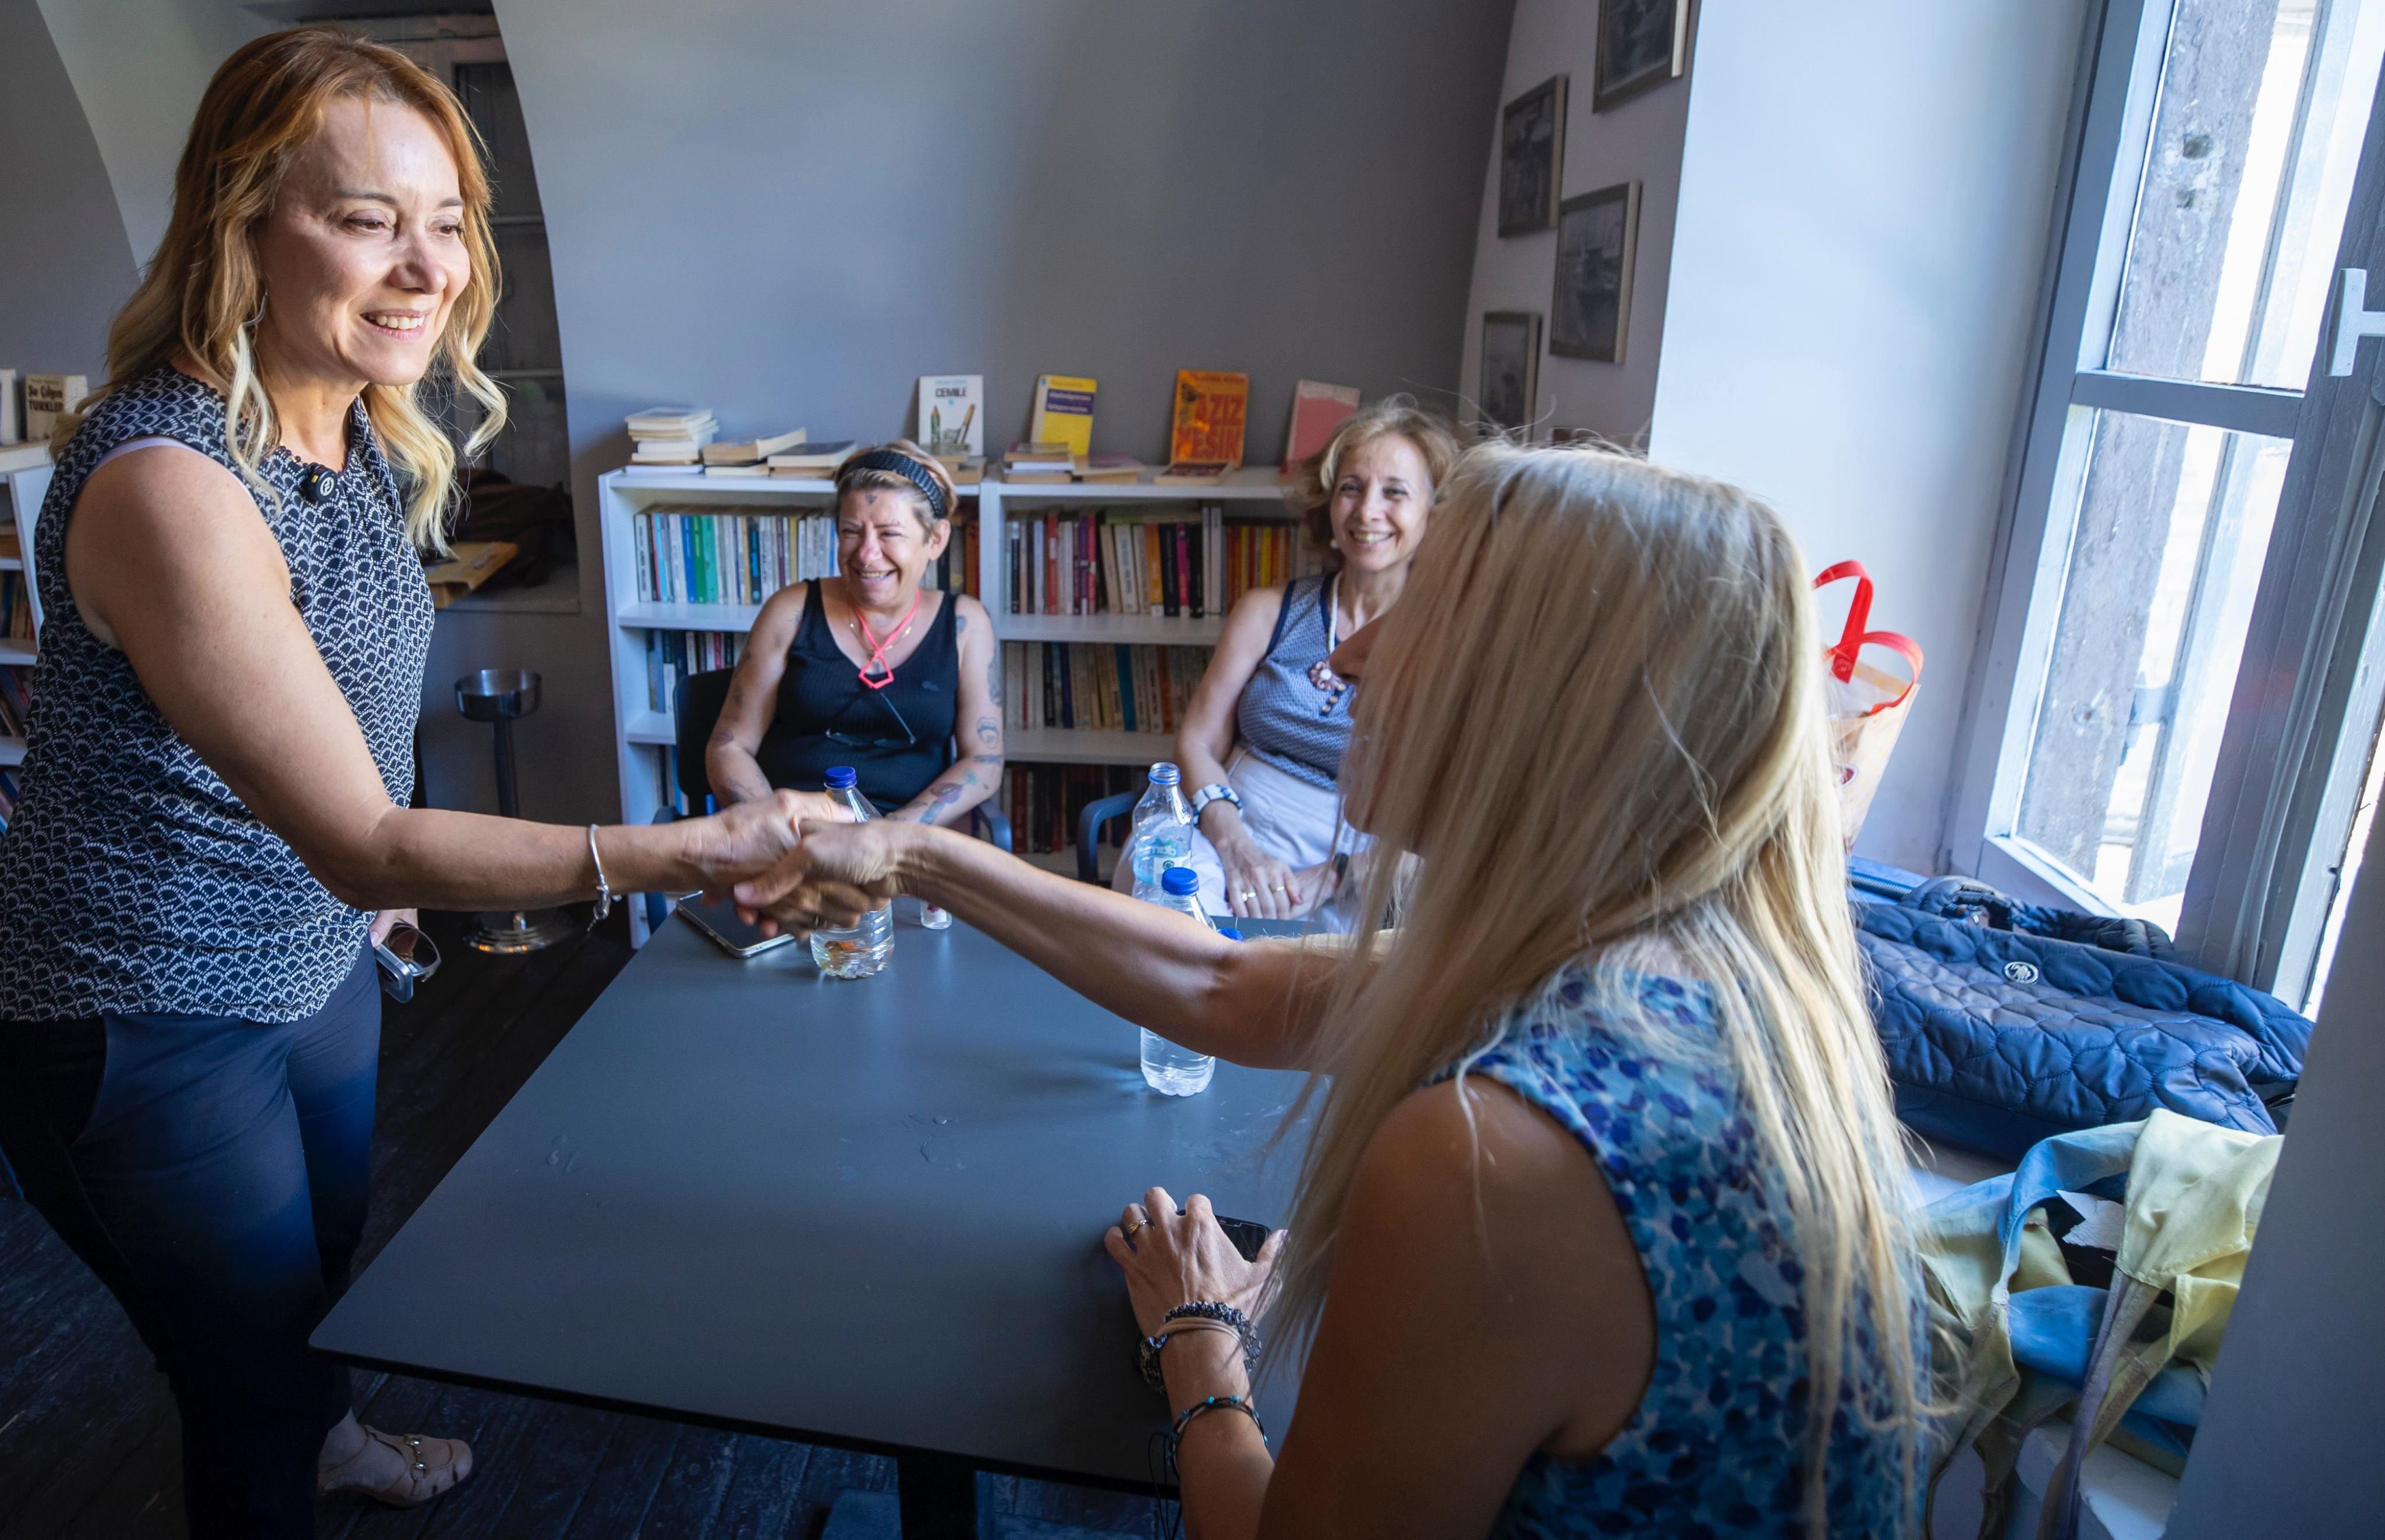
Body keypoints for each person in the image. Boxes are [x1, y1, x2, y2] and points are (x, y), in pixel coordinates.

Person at [0, 29, 831, 1540]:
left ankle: (337, 1437)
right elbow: (367, 833)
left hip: (318, 958)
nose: (427, 267)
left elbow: (351, 722)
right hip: (142, 1011)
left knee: (317, 1286)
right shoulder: (169, 479)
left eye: (446, 222)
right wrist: (707, 842)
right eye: (367, 217)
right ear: (243, 226)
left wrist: (358, 917)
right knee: (238, 1378)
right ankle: (291, 1458)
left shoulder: (361, 421)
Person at [739, 443, 1932, 1538]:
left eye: (1421, 613)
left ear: (1537, 709)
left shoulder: (1492, 1154)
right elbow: (1220, 979)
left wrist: (1198, 1339)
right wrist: (912, 853)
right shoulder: (1653, 952)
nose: (1344, 655)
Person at [1158, 397, 1458, 917]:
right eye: (1351, 488)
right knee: (1164, 925)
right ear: (1328, 504)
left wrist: (1331, 877)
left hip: (1363, 863)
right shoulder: (1267, 611)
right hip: (1228, 823)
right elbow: (1197, 741)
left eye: (1395, 493)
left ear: (1434, 513)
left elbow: (1452, 820)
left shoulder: (1449, 642)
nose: (1367, 512)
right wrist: (1236, 848)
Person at [705, 439, 1003, 829]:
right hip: (792, 837)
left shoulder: (966, 624)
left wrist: (888, 837)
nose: (866, 554)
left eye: (889, 534)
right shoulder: (790, 611)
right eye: (851, 532)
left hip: (905, 844)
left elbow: (983, 761)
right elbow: (729, 745)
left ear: (936, 540)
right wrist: (781, 829)